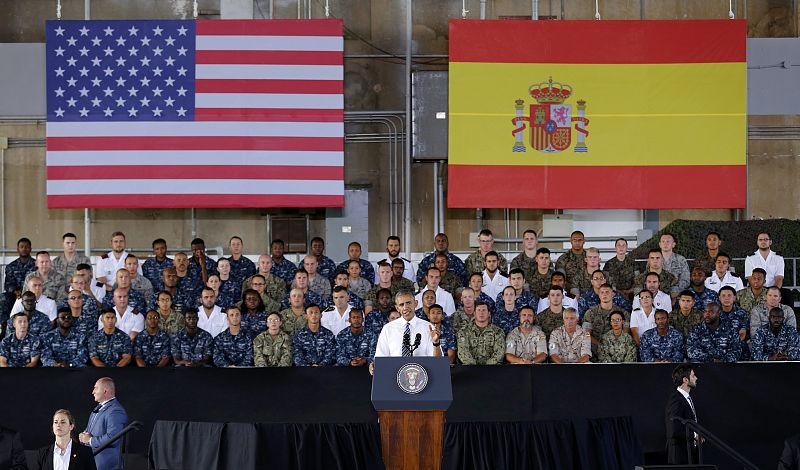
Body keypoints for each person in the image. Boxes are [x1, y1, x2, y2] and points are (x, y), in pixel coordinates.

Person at [372, 291, 442, 369]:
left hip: (422, 375)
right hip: (394, 375)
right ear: (397, 308)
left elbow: (438, 362)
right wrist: (374, 366)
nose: (405, 307)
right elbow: (380, 359)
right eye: (401, 305)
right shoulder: (388, 329)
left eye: (408, 303)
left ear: (415, 303)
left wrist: (436, 343)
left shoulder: (428, 327)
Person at [79, 377, 128, 470]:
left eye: (96, 388)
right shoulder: (98, 408)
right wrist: (83, 436)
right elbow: (89, 431)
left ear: (105, 390)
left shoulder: (116, 411)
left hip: (107, 466)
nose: (93, 392)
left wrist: (90, 440)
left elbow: (113, 438)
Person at [583, 284, 631, 358]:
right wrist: (600, 345)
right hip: (594, 350)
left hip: (616, 349)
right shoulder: (590, 313)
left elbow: (625, 334)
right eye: (602, 292)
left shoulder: (623, 313)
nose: (604, 294)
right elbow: (586, 334)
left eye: (607, 292)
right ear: (599, 295)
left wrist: (613, 347)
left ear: (613, 295)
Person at [665, 364, 700, 464]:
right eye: (693, 376)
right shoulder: (676, 400)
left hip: (689, 453)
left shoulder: (685, 398)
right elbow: (673, 430)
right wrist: (694, 435)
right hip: (680, 456)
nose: (696, 378)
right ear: (685, 380)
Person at [3, 237, 36, 321]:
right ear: (17, 249)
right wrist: (15, 291)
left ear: (30, 249)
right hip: (15, 295)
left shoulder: (36, 265)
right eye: (21, 247)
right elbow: (7, 285)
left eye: (27, 247)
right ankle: (5, 323)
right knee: (3, 298)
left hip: (32, 294)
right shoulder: (11, 266)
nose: (24, 249)